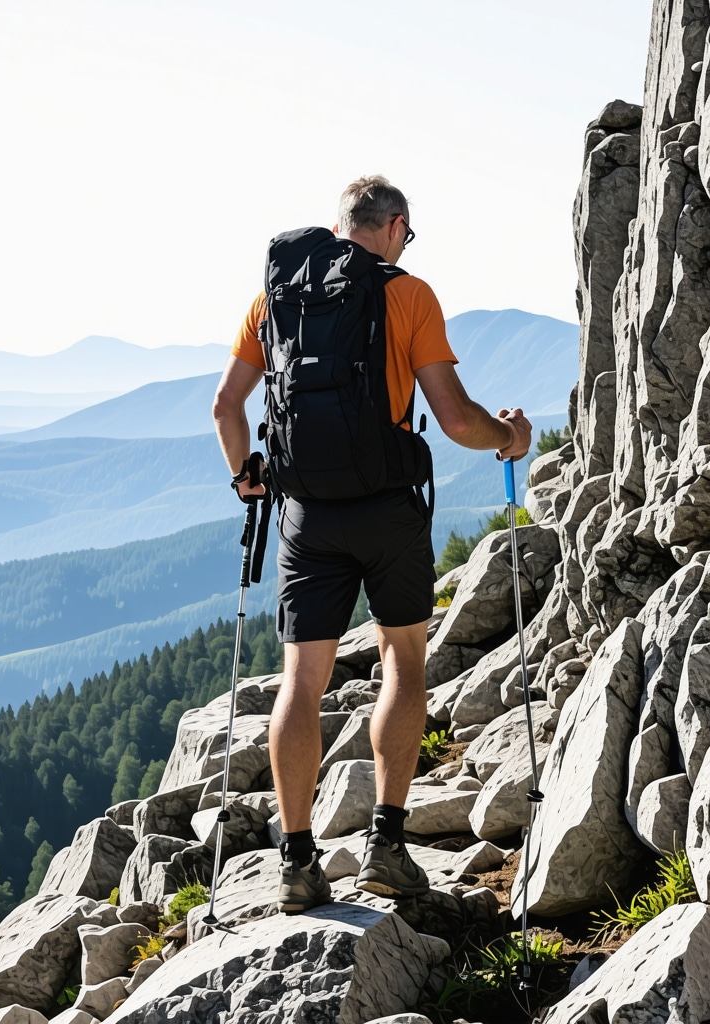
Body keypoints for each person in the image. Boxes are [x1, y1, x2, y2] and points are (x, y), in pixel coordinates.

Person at [212, 175, 532, 912]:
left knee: (302, 681)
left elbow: (227, 405)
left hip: (306, 513)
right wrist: (508, 439)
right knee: (403, 659)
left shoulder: (276, 299)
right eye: (407, 234)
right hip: (386, 507)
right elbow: (452, 418)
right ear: (392, 227)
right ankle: (387, 846)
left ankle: (297, 862)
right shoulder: (408, 295)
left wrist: (245, 478)